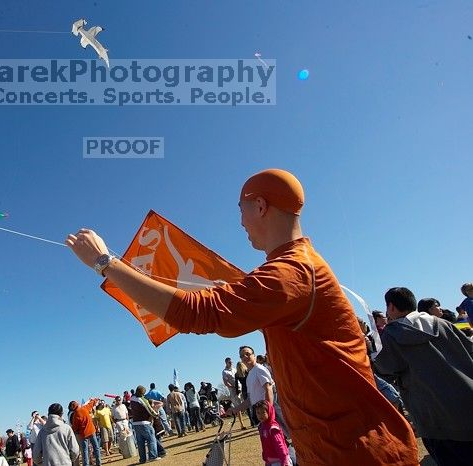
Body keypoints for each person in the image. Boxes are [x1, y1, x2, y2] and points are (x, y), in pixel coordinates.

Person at [66, 168, 418, 465]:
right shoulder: (291, 268)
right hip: (336, 447)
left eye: (242, 209)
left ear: (261, 206)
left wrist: (105, 263)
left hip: (358, 451)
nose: (241, 222)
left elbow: (194, 313)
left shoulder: (290, 273)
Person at [375, 287, 473, 465]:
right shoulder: (443, 323)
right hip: (468, 402)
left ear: (391, 307)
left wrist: (373, 351)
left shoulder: (392, 334)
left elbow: (386, 368)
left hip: (436, 418)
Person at [255, 400, 292, 466]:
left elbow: (280, 445)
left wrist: (284, 460)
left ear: (269, 412)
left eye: (263, 412)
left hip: (280, 461)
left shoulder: (273, 428)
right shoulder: (262, 426)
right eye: (258, 413)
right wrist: (266, 459)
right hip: (271, 461)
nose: (260, 415)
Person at [68, 399, 102, 466]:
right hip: (92, 431)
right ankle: (99, 463)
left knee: (85, 451)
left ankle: (86, 464)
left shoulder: (75, 415)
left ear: (72, 407)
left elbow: (75, 427)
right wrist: (95, 399)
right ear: (77, 404)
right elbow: (91, 403)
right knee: (96, 448)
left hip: (83, 434)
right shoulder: (85, 408)